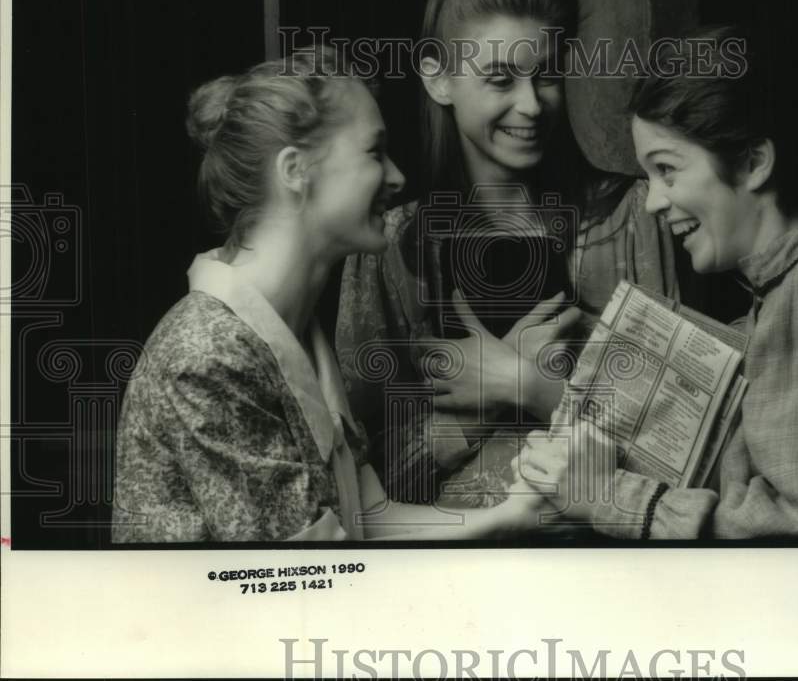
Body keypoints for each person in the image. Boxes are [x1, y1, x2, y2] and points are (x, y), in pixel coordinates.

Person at [112, 47, 553, 542]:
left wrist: (505, 513)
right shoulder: (207, 355)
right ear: (295, 170)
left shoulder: (294, 335)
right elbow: (309, 576)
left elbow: (368, 519)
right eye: (374, 152)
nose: (397, 177)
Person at [516, 27, 798, 539]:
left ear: (753, 164)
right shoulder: (777, 300)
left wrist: (605, 494)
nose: (652, 201)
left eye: (667, 170)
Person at [335, 0, 680, 508]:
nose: (531, 104)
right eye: (500, 79)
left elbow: (677, 449)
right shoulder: (391, 242)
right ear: (438, 78)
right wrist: (469, 422)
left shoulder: (635, 216)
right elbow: (352, 484)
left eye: (546, 76)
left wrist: (523, 384)